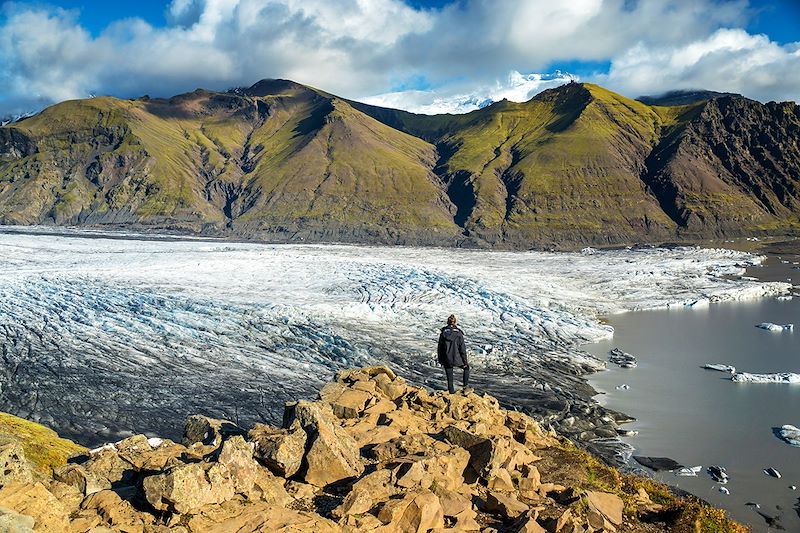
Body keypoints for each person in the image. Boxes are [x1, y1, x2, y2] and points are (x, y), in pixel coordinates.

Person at [437, 314, 470, 393]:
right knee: (466, 368)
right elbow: (462, 349)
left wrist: (441, 360)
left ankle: (451, 392)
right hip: (457, 358)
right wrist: (465, 361)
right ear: (455, 322)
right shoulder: (459, 333)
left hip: (446, 358)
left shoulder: (443, 333)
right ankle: (465, 387)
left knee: (449, 377)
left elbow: (440, 348)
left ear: (447, 322)